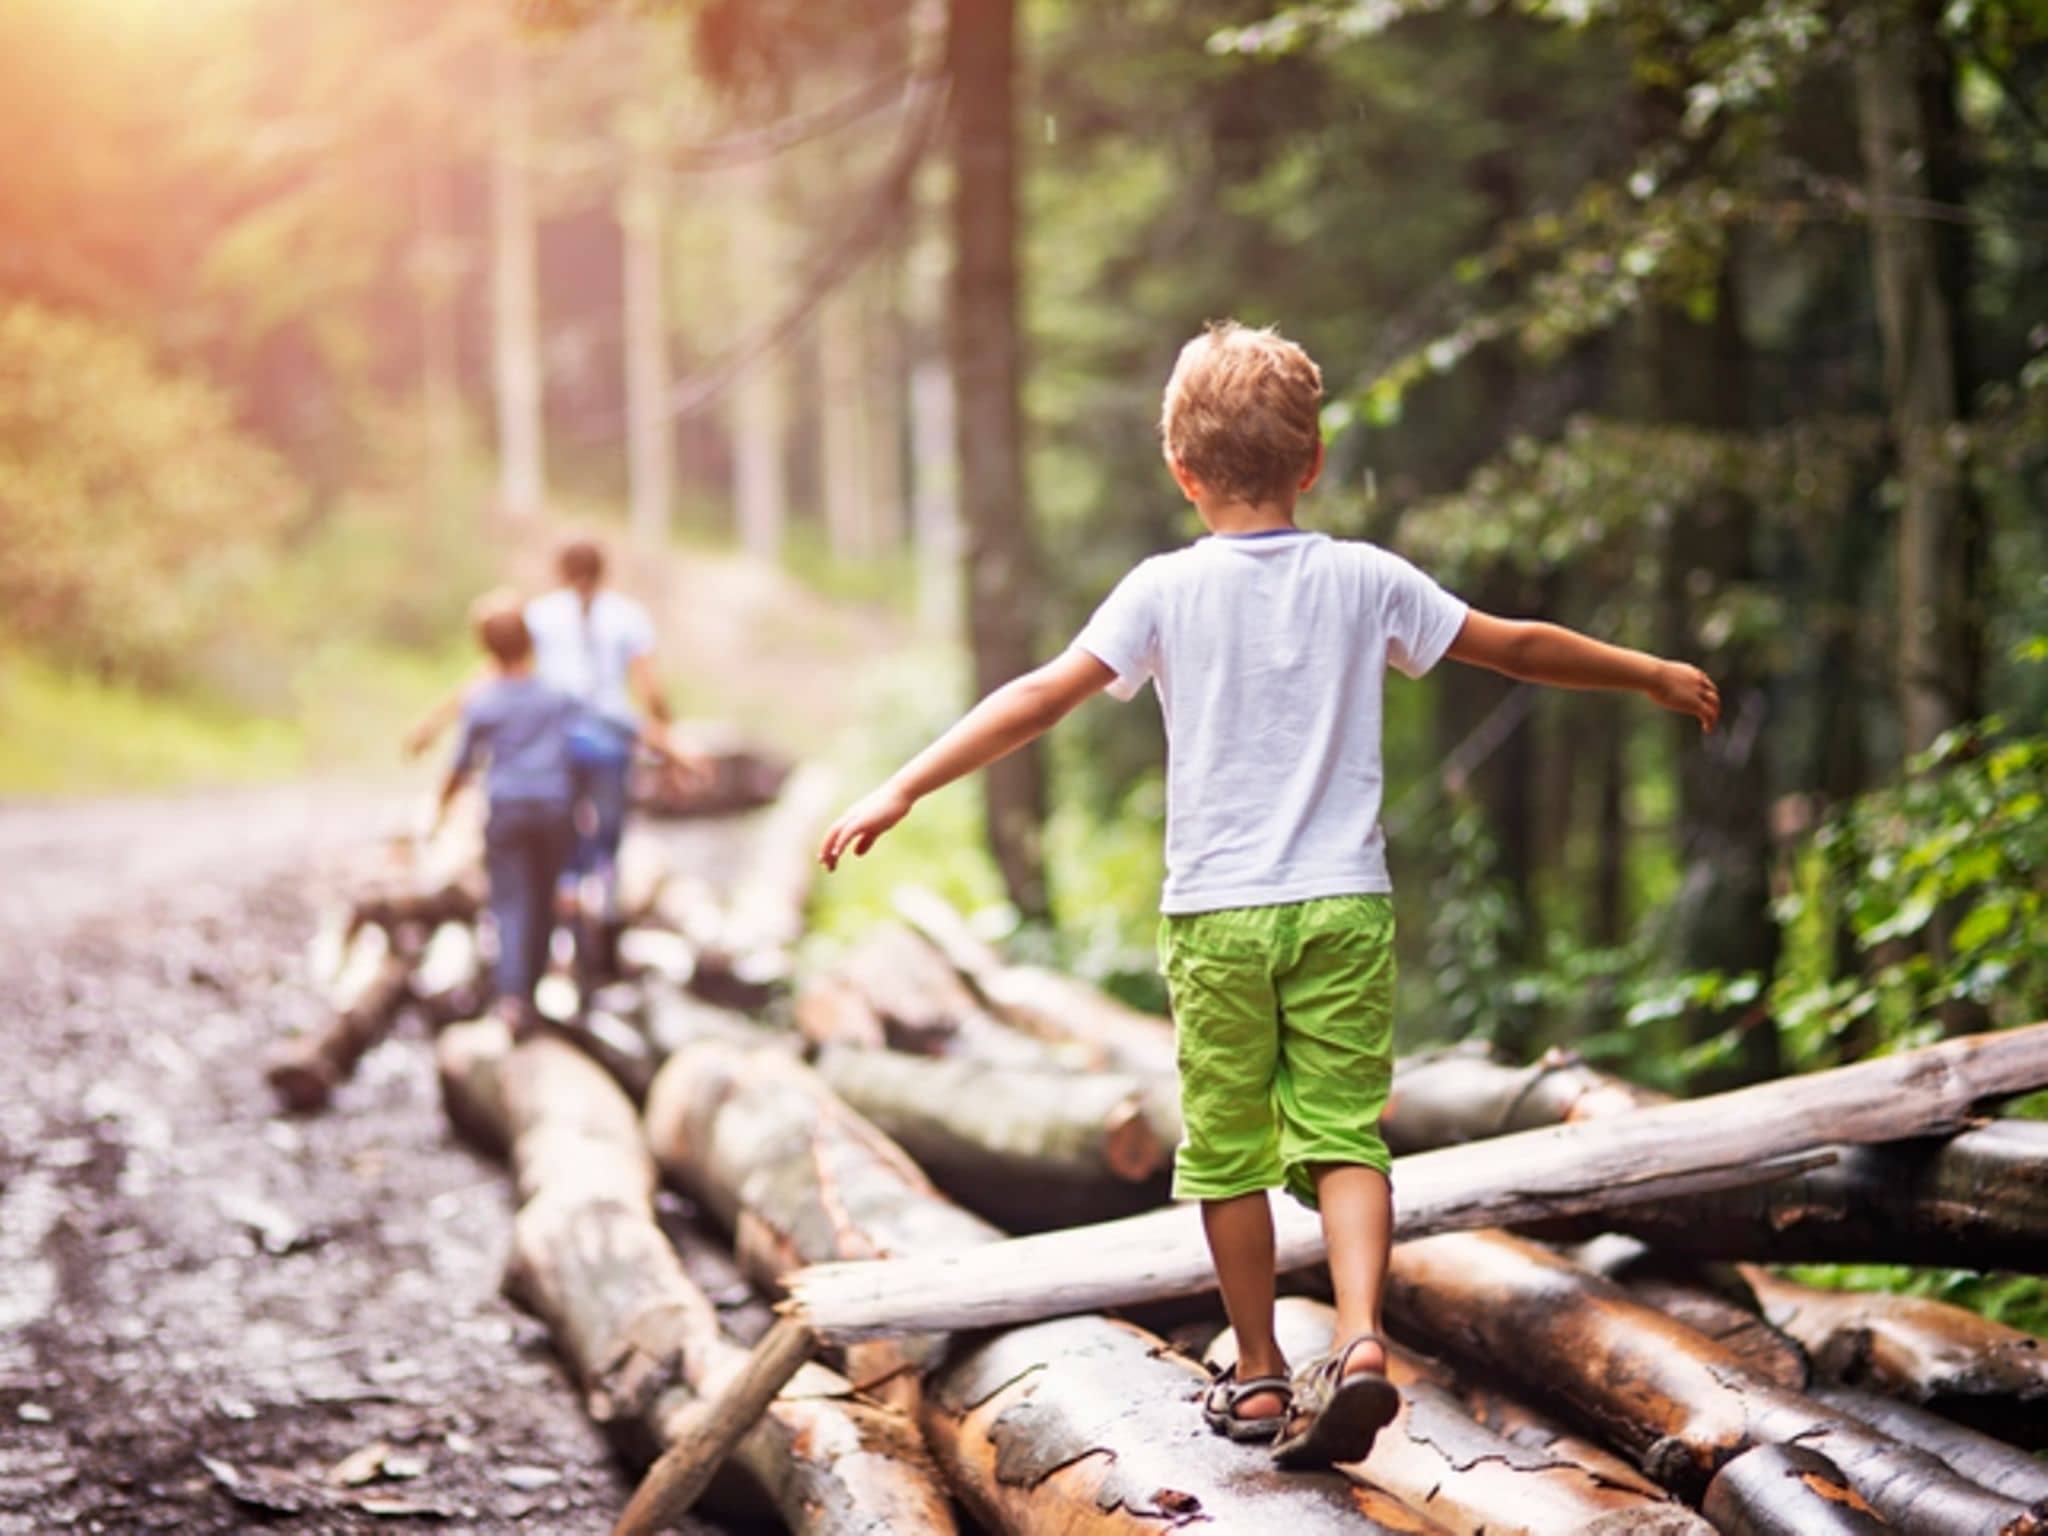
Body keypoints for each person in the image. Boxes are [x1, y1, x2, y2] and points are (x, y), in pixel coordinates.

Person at [816, 321, 1720, 1469]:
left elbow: (1039, 696)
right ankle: (1355, 1341)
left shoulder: (1160, 592)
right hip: (1341, 904)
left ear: (1179, 472)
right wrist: (1641, 670)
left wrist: (901, 785)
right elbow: (1515, 645)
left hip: (1215, 917)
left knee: (1230, 1151)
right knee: (1343, 1137)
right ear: (1312, 461)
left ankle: (1252, 1373)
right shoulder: (1361, 578)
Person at [409, 537, 673, 976]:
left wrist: (434, 723)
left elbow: (491, 674)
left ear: (559, 571)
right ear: (604, 571)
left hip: (562, 744)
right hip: (609, 742)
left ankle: (566, 906)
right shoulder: (628, 615)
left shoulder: (541, 615)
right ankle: (603, 932)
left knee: (564, 842)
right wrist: (668, 738)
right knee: (606, 840)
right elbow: (650, 689)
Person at [435, 592, 689, 1032]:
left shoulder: (483, 702)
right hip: (555, 812)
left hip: (508, 812)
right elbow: (618, 722)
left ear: (485, 648)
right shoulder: (555, 694)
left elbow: (460, 766)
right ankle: (540, 992)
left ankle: (514, 1000)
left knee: (511, 902)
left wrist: (440, 812)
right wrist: (676, 751)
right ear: (531, 644)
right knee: (547, 902)